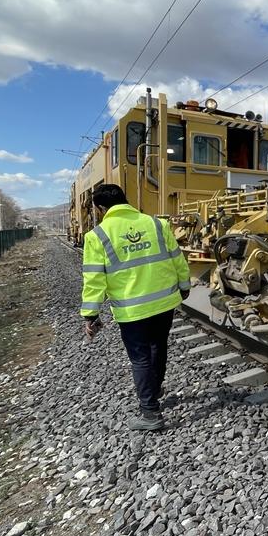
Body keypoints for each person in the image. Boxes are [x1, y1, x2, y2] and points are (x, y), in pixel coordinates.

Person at [79, 183, 191, 431]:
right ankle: (155, 388)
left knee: (140, 358)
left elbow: (94, 279)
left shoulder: (96, 236)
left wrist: (90, 313)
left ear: (100, 208)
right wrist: (185, 285)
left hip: (132, 311)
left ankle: (150, 413)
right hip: (164, 303)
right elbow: (177, 259)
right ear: (125, 199)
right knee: (158, 347)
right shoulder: (156, 224)